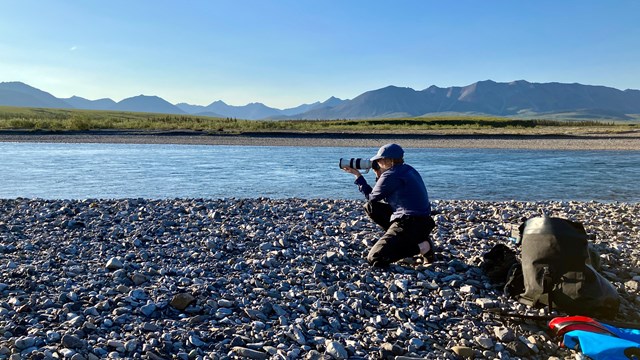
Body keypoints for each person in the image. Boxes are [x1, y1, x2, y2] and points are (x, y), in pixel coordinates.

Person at [343, 143, 436, 267]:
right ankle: (408, 240)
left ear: (389, 160)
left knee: (375, 258)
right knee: (371, 208)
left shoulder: (390, 175)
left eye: (380, 160)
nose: (378, 162)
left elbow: (371, 197)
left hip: (409, 223)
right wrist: (379, 175)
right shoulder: (408, 169)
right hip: (422, 221)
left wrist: (358, 176)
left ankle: (422, 247)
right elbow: (376, 200)